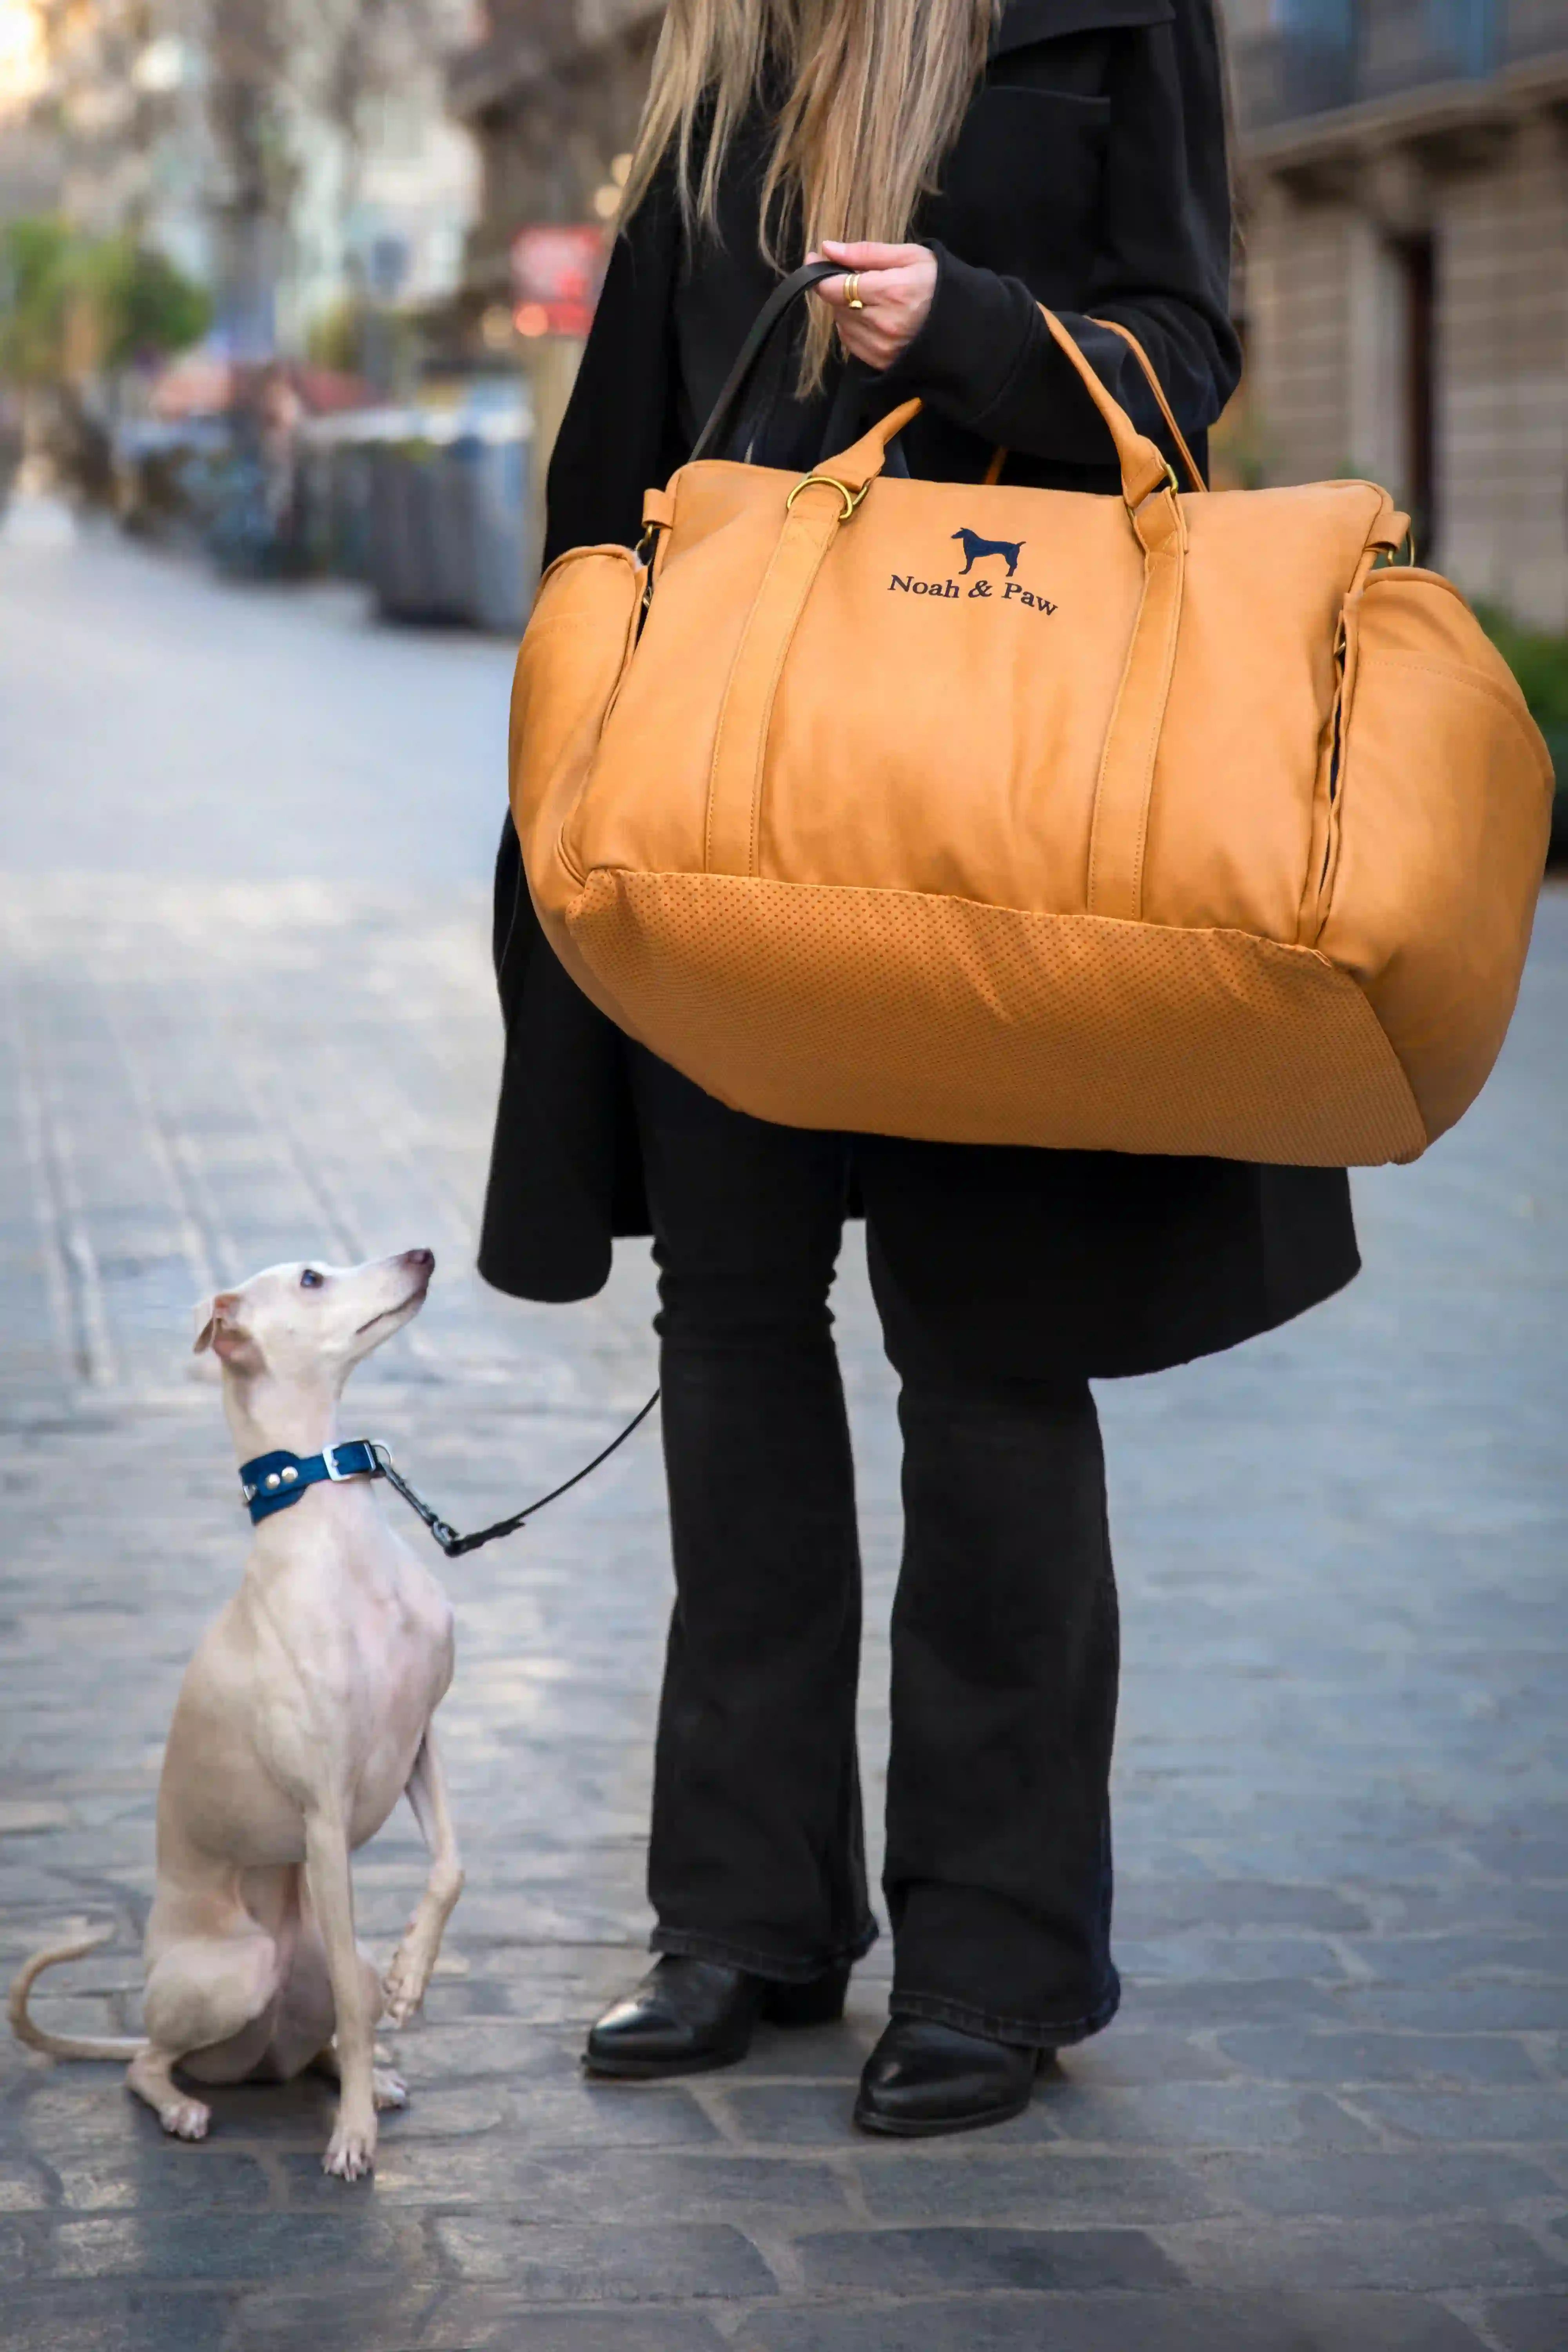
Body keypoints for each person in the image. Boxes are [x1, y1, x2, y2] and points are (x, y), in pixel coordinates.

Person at [479, 0, 1358, 2138]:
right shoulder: (714, 48)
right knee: (742, 1336)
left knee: (990, 1362)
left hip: (1004, 804)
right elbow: (624, 458)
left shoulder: (1107, 14)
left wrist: (964, 322)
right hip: (727, 797)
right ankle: (745, 1919)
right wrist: (575, 761)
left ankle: (996, 1954)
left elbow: (1185, 350)